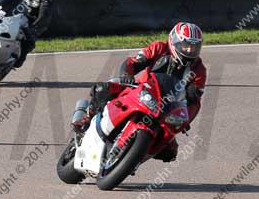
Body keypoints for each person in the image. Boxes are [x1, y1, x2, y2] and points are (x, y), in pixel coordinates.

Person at [86, 22, 207, 163]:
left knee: (170, 152)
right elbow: (134, 62)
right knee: (103, 89)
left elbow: (194, 101)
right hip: (141, 91)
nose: (189, 50)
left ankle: (132, 160)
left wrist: (185, 120)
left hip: (166, 109)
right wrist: (127, 74)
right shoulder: (159, 48)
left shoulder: (198, 69)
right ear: (175, 41)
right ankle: (87, 118)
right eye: (186, 45)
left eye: (194, 46)